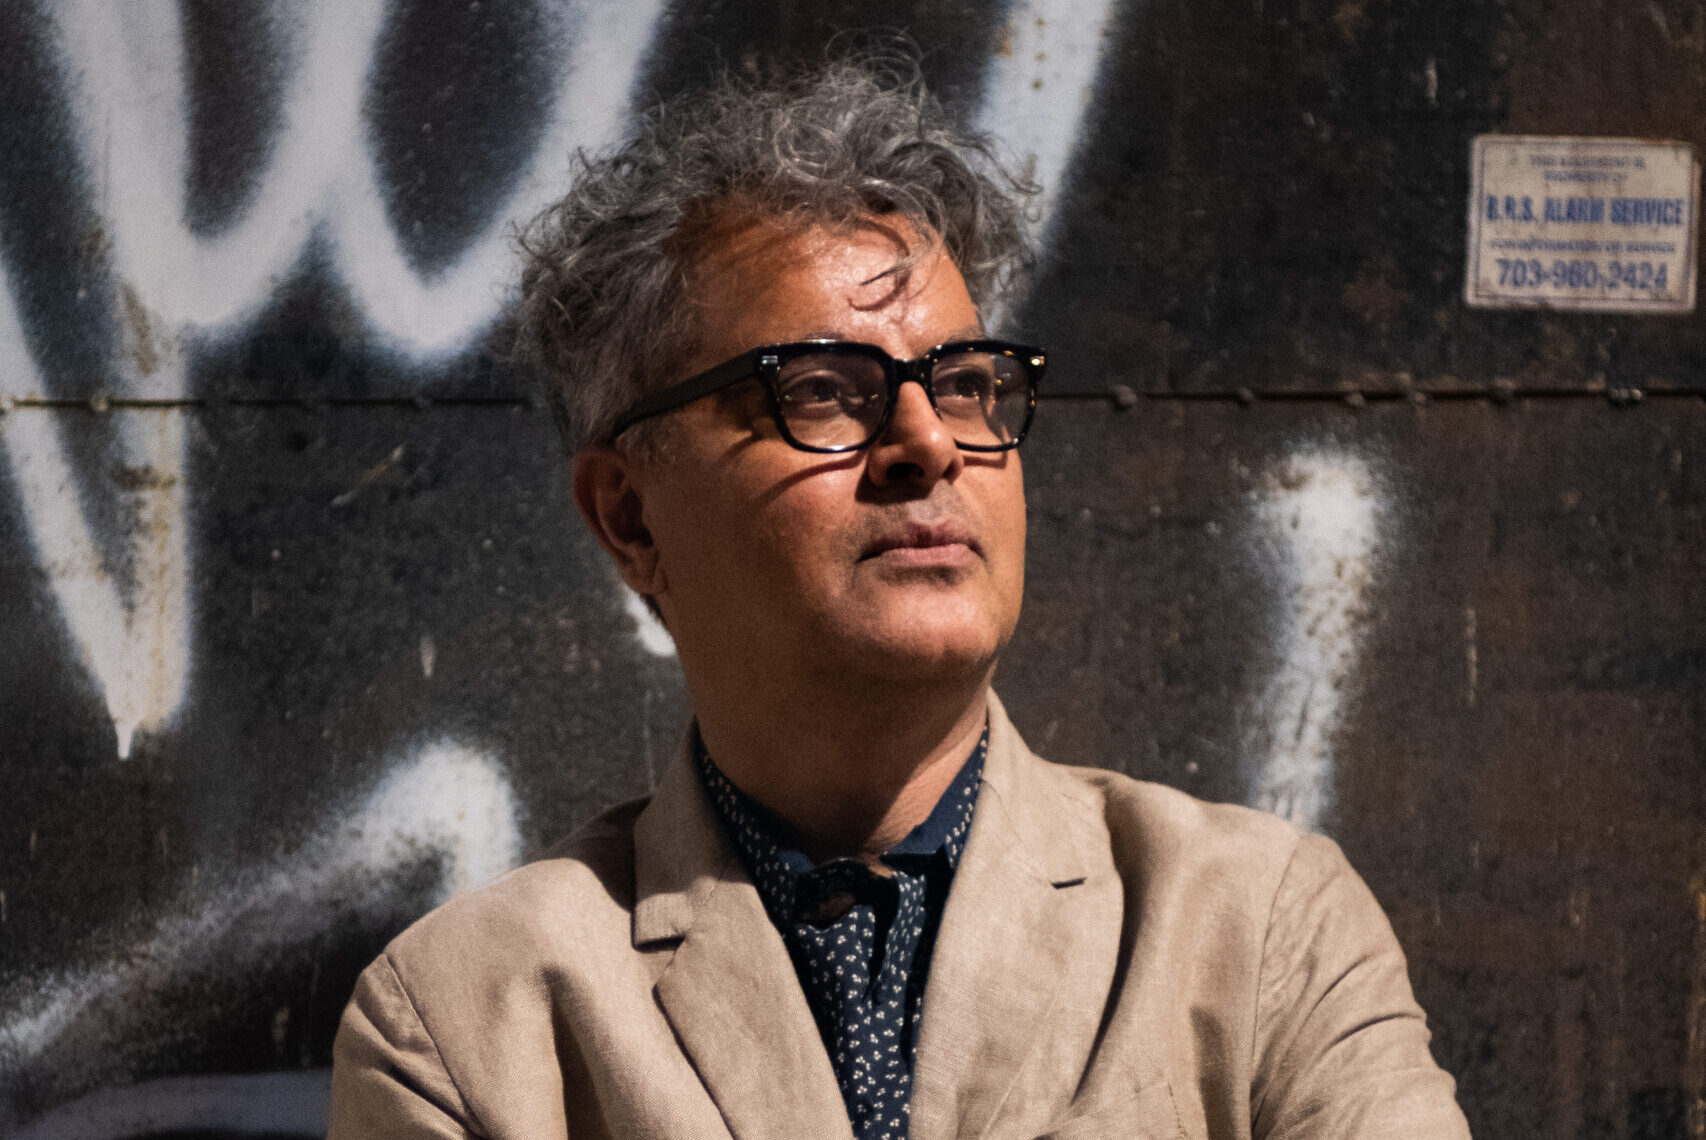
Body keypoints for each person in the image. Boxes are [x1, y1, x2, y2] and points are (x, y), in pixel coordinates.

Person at [328, 54, 1472, 1140]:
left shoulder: (1256, 925)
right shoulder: (468, 1022)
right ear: (630, 516)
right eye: (823, 391)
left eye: (968, 385)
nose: (928, 443)